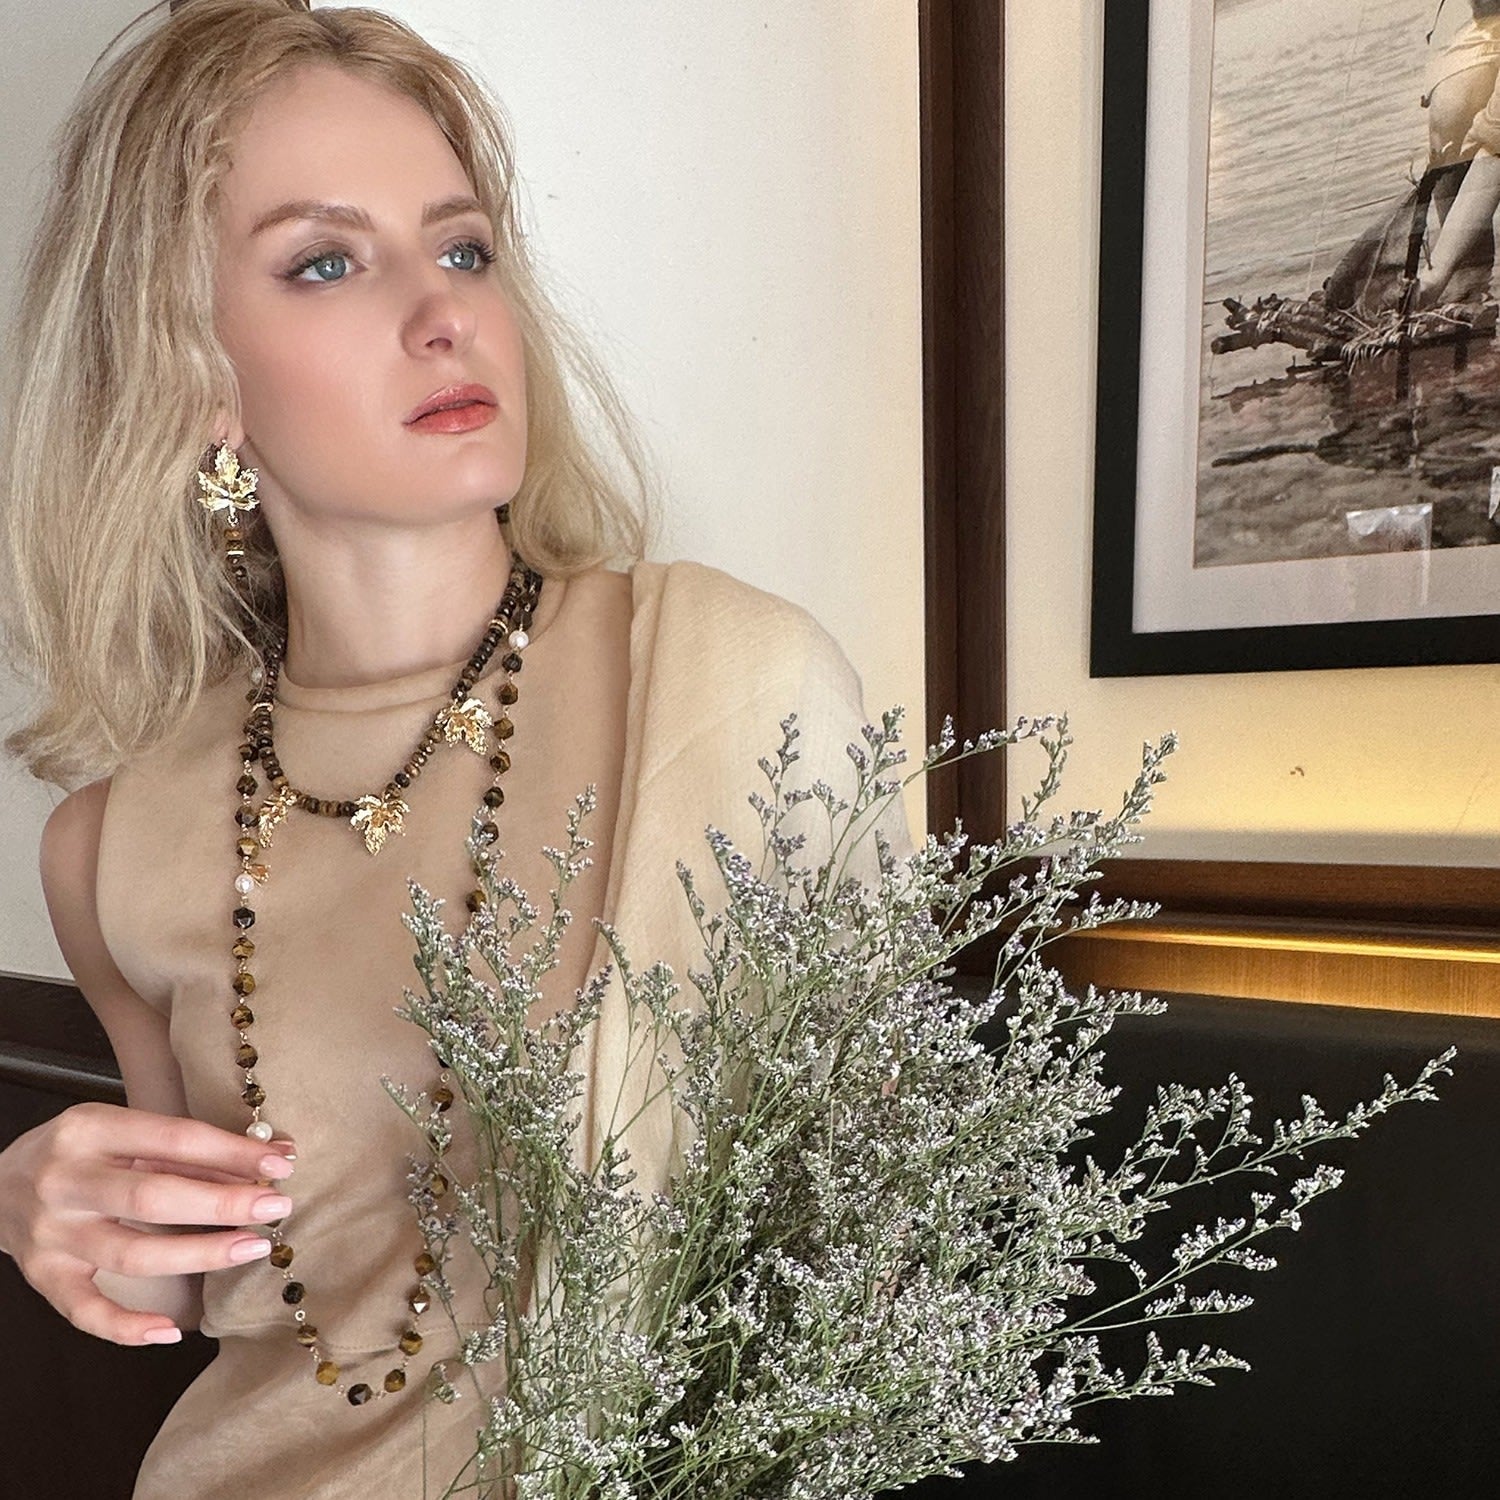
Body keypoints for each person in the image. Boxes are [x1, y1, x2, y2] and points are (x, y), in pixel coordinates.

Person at [0, 3, 909, 1495]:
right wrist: (43, 1201)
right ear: (193, 378)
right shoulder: (112, 845)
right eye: (327, 262)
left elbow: (887, 1249)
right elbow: (203, 1281)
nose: (443, 313)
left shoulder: (734, 685)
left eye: (465, 248)